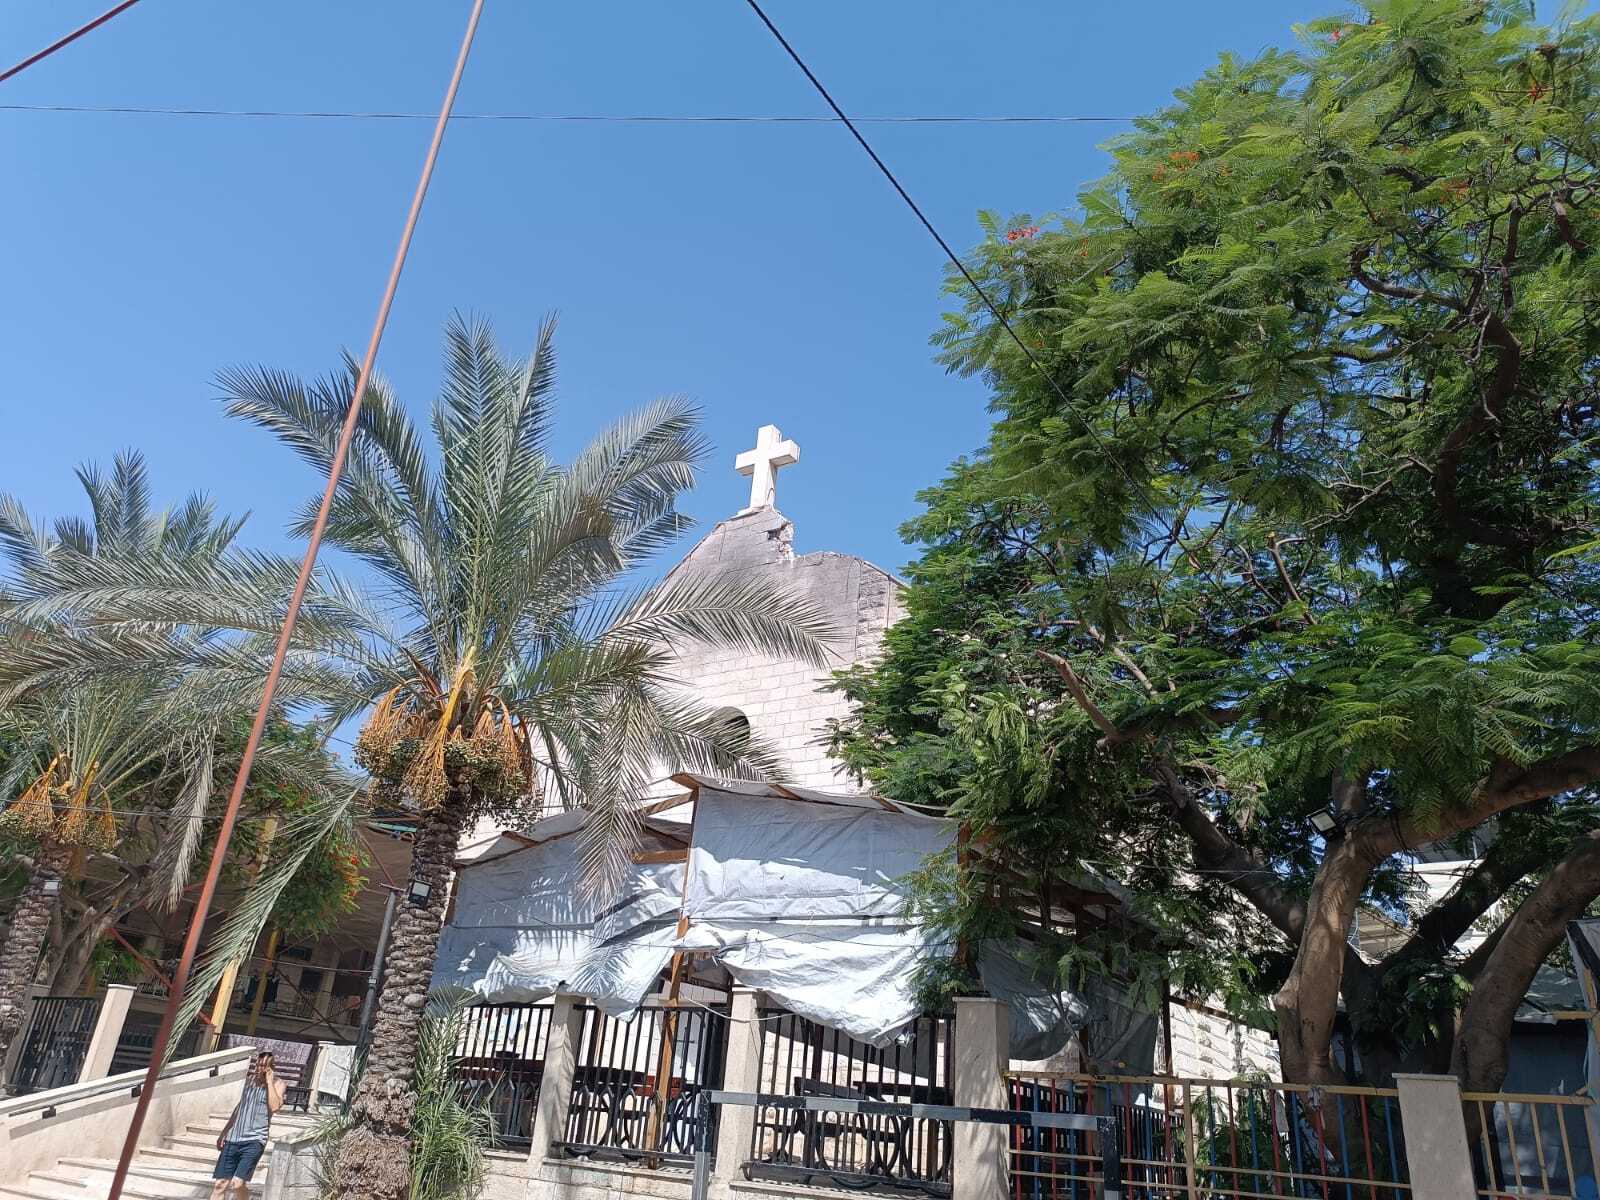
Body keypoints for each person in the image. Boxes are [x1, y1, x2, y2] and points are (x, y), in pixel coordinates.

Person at [211, 1050, 285, 1198]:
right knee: (220, 1184)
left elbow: (275, 1107)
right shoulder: (250, 1080)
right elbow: (240, 1107)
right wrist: (224, 1132)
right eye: (258, 1065)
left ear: (271, 1067)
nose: (259, 1068)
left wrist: (269, 1082)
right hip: (233, 1138)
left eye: (263, 1066)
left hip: (254, 1140)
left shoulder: (278, 1084)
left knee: (238, 1183)